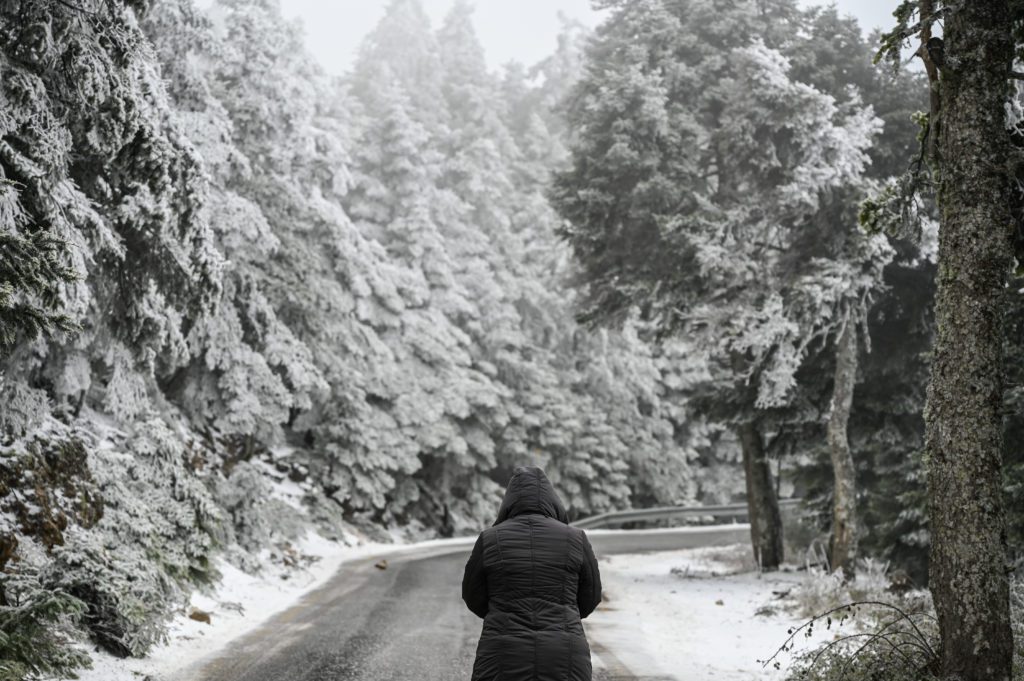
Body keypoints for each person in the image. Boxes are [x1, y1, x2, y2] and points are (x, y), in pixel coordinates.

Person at [461, 466, 602, 681]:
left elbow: (472, 595)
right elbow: (590, 596)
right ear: (553, 500)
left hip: (502, 651)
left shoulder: (491, 539)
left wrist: (501, 613)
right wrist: (565, 615)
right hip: (565, 652)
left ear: (509, 502)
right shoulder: (575, 538)